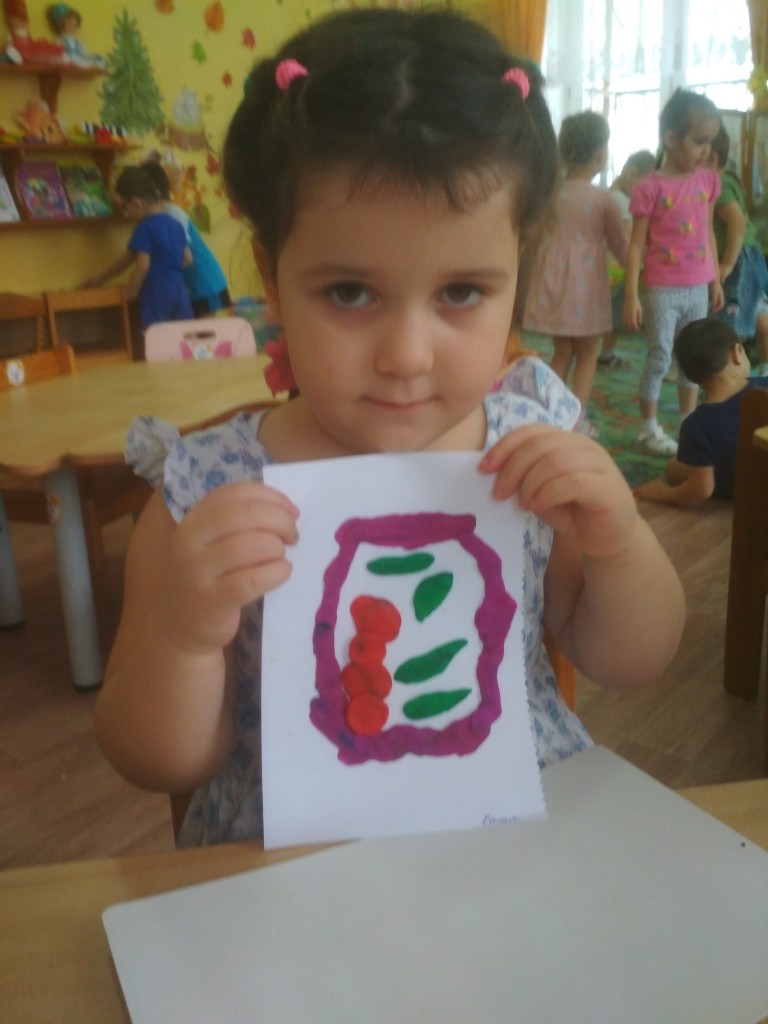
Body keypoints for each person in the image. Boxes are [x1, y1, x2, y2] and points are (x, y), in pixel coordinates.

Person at [93, 7, 685, 847]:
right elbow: (154, 759)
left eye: (461, 292)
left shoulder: (530, 453)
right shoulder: (208, 490)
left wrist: (620, 543)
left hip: (514, 843)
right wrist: (184, 635)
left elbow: (630, 660)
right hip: (287, 867)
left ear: (519, 273)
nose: (406, 355)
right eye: (349, 293)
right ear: (271, 277)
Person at [623, 89, 724, 457]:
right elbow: (636, 245)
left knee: (692, 358)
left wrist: (715, 279)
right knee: (660, 356)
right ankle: (647, 428)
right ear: (670, 139)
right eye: (699, 141)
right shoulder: (650, 188)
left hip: (697, 285)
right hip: (662, 288)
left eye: (710, 141)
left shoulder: (708, 181)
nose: (706, 150)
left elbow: (708, 231)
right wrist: (631, 295)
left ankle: (687, 423)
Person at [522, 111, 627, 437]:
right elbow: (619, 244)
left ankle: (549, 412)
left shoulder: (550, 194)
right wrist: (638, 267)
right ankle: (575, 420)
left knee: (563, 351)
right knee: (588, 353)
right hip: (586, 286)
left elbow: (535, 235)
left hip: (554, 279)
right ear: (599, 155)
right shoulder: (603, 199)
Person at [634, 318, 766, 504]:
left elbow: (701, 490)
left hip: (739, 489)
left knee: (674, 467)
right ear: (736, 353)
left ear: (689, 377)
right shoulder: (764, 387)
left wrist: (663, 493)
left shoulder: (695, 425)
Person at [82, 166, 193, 330]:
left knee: (155, 336)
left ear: (137, 204)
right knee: (183, 336)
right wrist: (100, 278)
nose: (126, 213)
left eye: (125, 208)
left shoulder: (145, 227)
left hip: (156, 291)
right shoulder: (175, 224)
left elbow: (142, 265)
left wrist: (131, 291)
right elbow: (188, 259)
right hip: (180, 289)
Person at [708, 123, 768, 373]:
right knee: (758, 314)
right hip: (753, 257)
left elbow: (736, 222)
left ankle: (729, 377)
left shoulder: (717, 184)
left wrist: (727, 263)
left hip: (739, 259)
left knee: (730, 324)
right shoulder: (727, 181)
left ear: (710, 158)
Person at [141, 160, 232, 317]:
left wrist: (160, 277)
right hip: (186, 287)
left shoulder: (173, 214)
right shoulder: (152, 219)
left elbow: (186, 257)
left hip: (204, 283)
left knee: (204, 332)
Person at [597, 149, 656, 368]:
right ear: (632, 174)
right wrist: (642, 257)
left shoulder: (612, 196)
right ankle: (605, 355)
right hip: (618, 269)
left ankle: (606, 353)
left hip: (612, 268)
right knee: (614, 314)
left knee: (612, 314)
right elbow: (628, 238)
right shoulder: (621, 201)